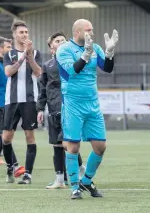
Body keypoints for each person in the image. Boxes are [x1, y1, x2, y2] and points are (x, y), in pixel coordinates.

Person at [56, 19, 118, 199]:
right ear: (77, 32)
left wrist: (109, 53)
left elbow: (107, 68)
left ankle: (87, 180)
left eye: (92, 29)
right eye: (88, 30)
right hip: (73, 104)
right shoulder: (64, 49)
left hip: (92, 104)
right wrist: (85, 55)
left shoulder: (95, 47)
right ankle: (74, 187)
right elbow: (71, 71)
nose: (92, 32)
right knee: (73, 147)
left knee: (100, 146)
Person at [37, 31, 85, 189]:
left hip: (70, 108)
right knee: (57, 145)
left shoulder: (74, 61)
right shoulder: (47, 66)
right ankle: (59, 179)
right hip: (53, 110)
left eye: (63, 40)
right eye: (57, 41)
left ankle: (80, 170)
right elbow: (43, 89)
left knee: (67, 143)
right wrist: (39, 109)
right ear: (52, 48)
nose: (61, 42)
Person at [2, 20, 42, 184]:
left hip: (29, 101)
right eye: (21, 32)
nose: (24, 35)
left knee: (29, 137)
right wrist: (22, 57)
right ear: (14, 35)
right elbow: (8, 72)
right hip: (11, 101)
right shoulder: (8, 55)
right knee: (6, 138)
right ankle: (11, 166)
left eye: (26, 32)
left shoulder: (36, 53)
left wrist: (29, 55)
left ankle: (28, 175)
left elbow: (38, 71)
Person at [0, 37, 25, 178]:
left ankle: (13, 166)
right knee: (0, 135)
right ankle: (15, 166)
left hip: (6, 105)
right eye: (8, 47)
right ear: (0, 49)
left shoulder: (6, 64)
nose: (11, 49)